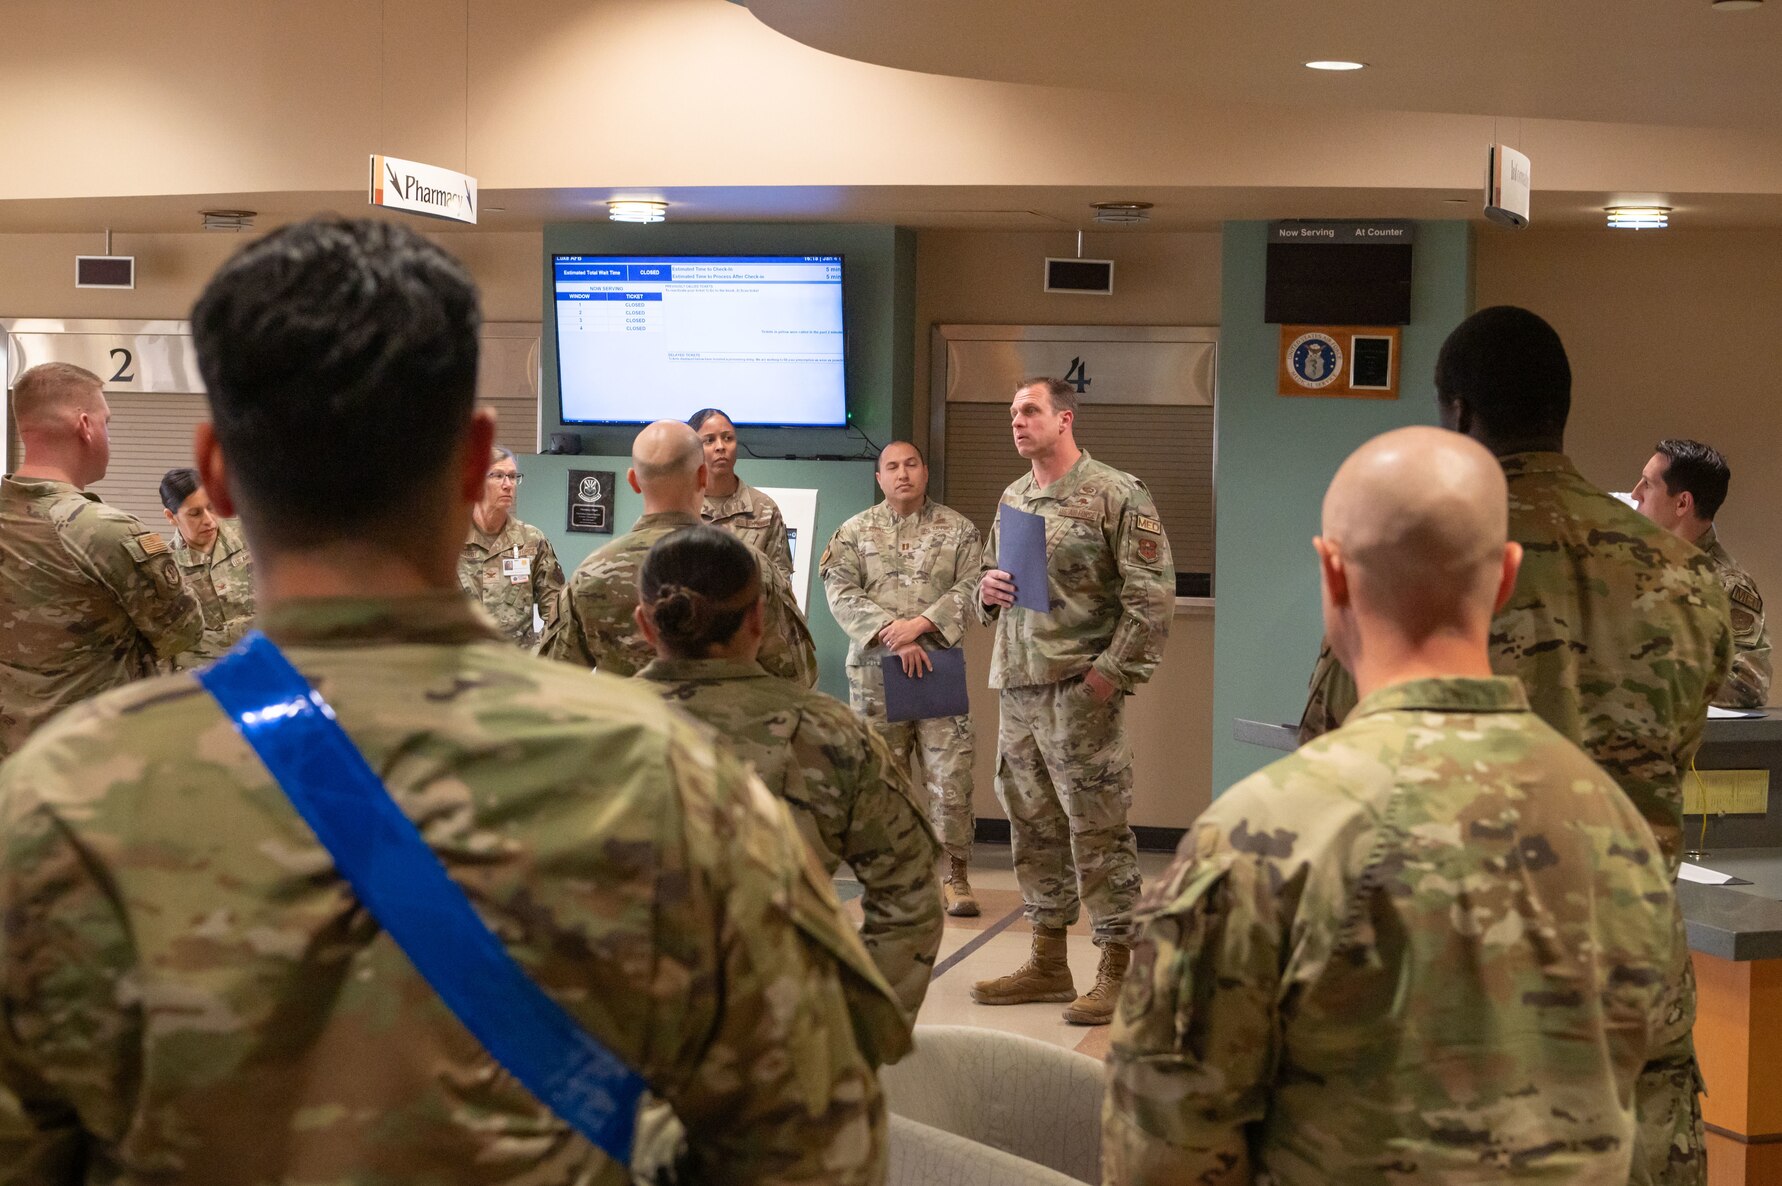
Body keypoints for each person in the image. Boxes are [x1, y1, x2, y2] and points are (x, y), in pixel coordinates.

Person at [0, 217, 904, 1184]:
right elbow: (816, 1149)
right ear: (476, 461)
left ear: (215, 472)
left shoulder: (63, 807)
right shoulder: (671, 783)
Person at [1105, 426, 1692, 1185]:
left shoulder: (1258, 838)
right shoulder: (1619, 828)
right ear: (1506, 577)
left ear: (1333, 574)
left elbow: (1162, 1153)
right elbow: (1640, 1099)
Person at [1297, 306, 1731, 1184]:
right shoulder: (1687, 578)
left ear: (1459, 412)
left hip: (1458, 993)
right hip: (1630, 981)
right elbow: (1680, 743)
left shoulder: (1421, 562)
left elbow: (1333, 753)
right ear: (1559, 410)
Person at [636, 524, 944, 1022]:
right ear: (759, 619)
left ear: (645, 625)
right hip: (786, 1035)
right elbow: (910, 892)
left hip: (619, 1045)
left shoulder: (584, 730)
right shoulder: (830, 732)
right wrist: (862, 1029)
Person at [971, 377, 1174, 1026]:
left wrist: (1108, 678)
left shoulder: (1116, 493)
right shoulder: (1014, 496)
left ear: (1065, 419)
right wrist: (986, 591)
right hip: (1018, 688)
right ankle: (1048, 961)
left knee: (1097, 830)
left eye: (1030, 411)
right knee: (1032, 826)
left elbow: (1151, 600)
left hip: (1079, 693)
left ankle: (1117, 968)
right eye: (1012, 413)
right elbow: (987, 578)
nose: (1017, 421)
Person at [0, 362, 201, 758]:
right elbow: (185, 631)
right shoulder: (105, 532)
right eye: (107, 422)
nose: (108, 433)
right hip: (88, 762)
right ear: (85, 426)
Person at [822, 440, 985, 916]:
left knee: (950, 775)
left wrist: (922, 625)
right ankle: (890, 877)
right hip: (876, 673)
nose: (902, 473)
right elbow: (840, 589)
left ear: (925, 472)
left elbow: (973, 587)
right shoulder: (853, 532)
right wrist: (893, 633)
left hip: (937, 669)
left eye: (911, 464)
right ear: (879, 478)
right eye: (892, 467)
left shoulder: (959, 530)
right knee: (881, 779)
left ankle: (955, 876)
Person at [546, 420, 817, 686]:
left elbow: (549, 683)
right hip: (730, 716)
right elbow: (799, 678)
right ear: (703, 476)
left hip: (627, 716)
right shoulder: (750, 566)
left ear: (634, 481)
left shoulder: (590, 574)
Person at [1633, 438, 1770, 708]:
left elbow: (1748, 684)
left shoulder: (1726, 584)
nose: (1636, 493)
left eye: (1647, 484)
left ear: (1682, 503)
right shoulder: (1642, 566)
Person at [457, 444, 565, 650]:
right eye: (498, 476)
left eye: (513, 477)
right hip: (463, 661)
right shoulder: (452, 540)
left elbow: (556, 613)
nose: (508, 485)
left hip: (517, 662)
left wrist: (537, 654)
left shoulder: (531, 540)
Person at [159, 466, 255, 669]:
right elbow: (167, 641)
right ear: (171, 517)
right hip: (208, 674)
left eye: (211, 507)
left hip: (262, 660)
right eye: (195, 514)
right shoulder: (165, 568)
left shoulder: (252, 536)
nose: (209, 520)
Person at [689, 407, 794, 577]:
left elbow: (782, 584)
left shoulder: (764, 508)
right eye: (709, 440)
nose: (720, 447)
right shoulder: (679, 506)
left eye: (728, 438)